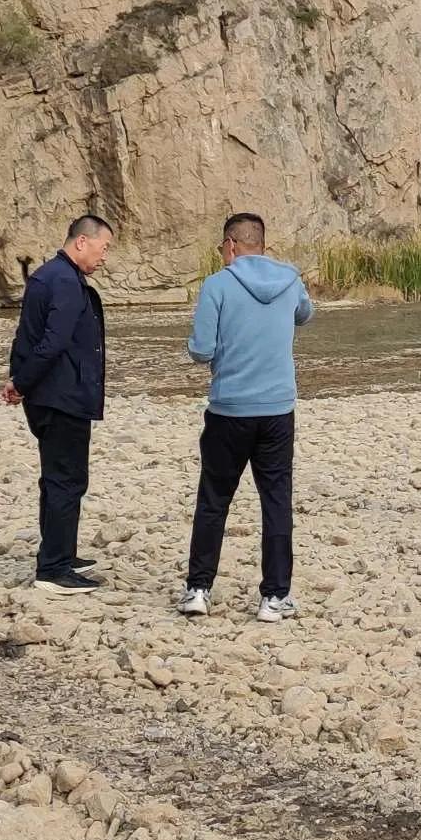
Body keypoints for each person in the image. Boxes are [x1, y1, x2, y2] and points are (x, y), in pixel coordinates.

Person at [180, 213, 314, 621]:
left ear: (231, 245)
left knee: (214, 500)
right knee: (276, 500)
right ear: (263, 244)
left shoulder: (217, 284)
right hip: (277, 409)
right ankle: (274, 597)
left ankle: (199, 589)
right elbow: (304, 315)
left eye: (222, 248)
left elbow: (200, 349)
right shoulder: (290, 279)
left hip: (229, 408)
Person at [3, 214, 112, 595]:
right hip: (62, 397)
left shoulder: (50, 276)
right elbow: (52, 341)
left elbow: (25, 336)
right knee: (66, 480)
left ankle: (60, 552)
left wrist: (19, 380)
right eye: (104, 247)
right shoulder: (64, 280)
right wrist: (21, 382)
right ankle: (54, 568)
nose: (104, 257)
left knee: (58, 479)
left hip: (52, 395)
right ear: (82, 242)